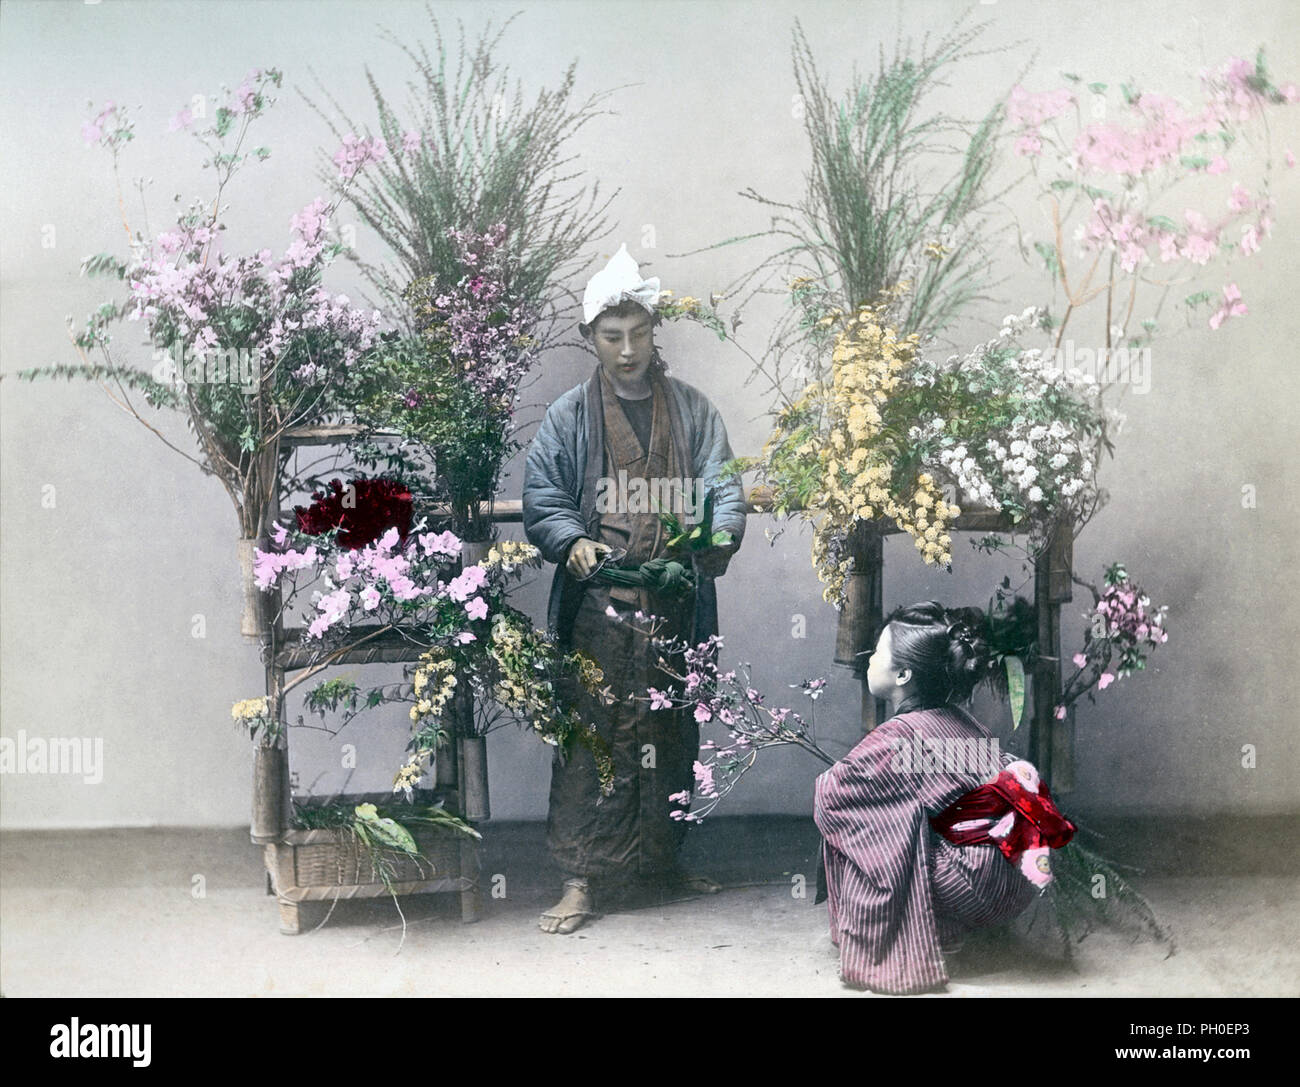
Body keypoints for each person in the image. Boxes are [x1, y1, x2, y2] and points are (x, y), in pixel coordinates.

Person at [522, 244, 747, 934]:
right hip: (601, 606)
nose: (627, 350)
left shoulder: (692, 411)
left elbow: (722, 487)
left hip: (674, 601)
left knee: (669, 732)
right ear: (591, 339)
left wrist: (712, 537)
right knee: (596, 735)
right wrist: (573, 539)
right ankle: (582, 876)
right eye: (611, 337)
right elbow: (543, 495)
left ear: (655, 333)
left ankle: (660, 862)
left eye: (638, 334)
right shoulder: (569, 415)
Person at [813, 601, 1075, 993]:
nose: (867, 659)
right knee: (901, 813)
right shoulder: (966, 722)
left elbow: (831, 798)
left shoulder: (897, 735)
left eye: (878, 652)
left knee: (858, 829)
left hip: (967, 884)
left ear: (903, 673)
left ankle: (939, 932)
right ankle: (963, 930)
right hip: (1014, 882)